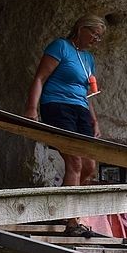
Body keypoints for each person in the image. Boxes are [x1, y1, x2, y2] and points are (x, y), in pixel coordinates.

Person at [24, 14, 106, 239]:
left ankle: (59, 208)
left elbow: (87, 93)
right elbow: (40, 78)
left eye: (99, 37)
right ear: (81, 28)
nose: (96, 39)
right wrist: (32, 108)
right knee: (75, 162)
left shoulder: (88, 58)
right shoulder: (60, 46)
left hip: (81, 110)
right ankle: (71, 221)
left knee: (89, 165)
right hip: (57, 105)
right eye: (94, 34)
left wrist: (94, 120)